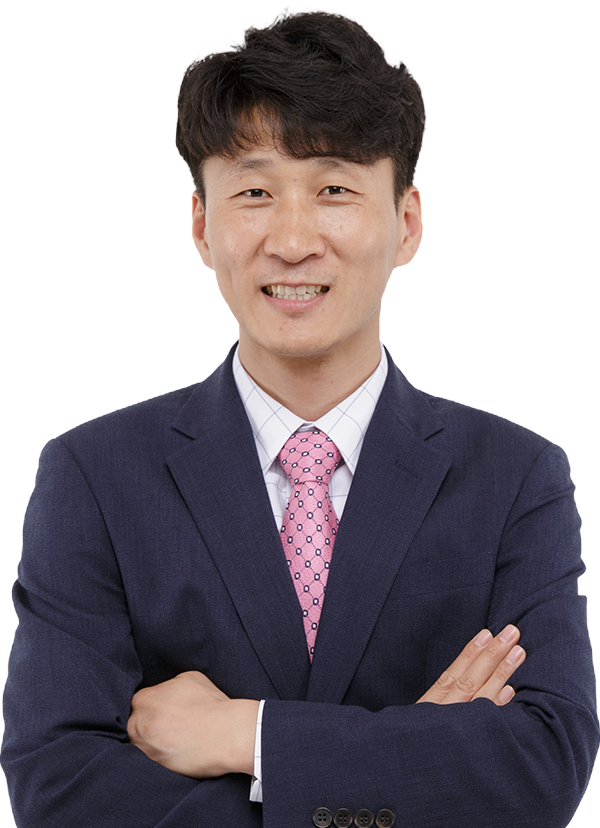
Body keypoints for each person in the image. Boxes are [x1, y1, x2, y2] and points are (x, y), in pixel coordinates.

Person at [1, 6, 598, 827]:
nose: (291, 239)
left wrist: (249, 736)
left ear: (407, 223)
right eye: (253, 192)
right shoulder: (96, 476)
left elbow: (544, 764)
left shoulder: (515, 478)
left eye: (334, 189)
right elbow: (58, 787)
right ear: (202, 226)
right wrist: (412, 760)